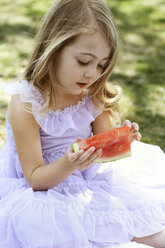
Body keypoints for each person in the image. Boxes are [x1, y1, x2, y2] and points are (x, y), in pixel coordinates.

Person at [0, 0, 165, 247]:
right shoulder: (26, 103)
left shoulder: (93, 93)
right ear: (54, 48)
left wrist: (120, 140)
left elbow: (103, 149)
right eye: (84, 61)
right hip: (44, 187)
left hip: (90, 180)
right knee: (55, 227)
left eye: (101, 64)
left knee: (145, 224)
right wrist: (68, 163)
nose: (92, 74)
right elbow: (35, 178)